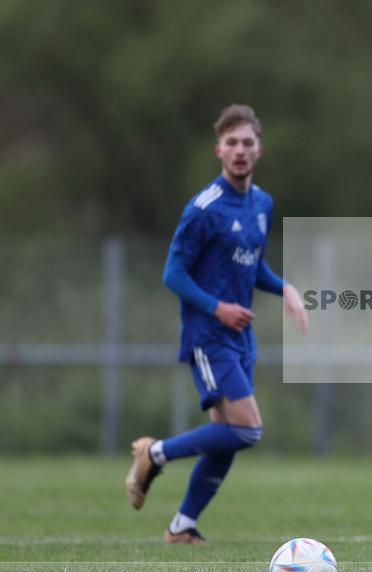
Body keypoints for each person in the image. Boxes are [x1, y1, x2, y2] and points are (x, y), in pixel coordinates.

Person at [124, 104, 309, 544]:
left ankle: (182, 526)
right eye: (232, 143)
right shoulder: (203, 208)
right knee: (248, 428)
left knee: (227, 436)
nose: (240, 151)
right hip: (209, 336)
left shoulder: (261, 203)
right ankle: (154, 453)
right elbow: (173, 273)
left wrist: (285, 288)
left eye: (247, 143)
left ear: (259, 150)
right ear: (218, 151)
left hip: (240, 337)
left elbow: (252, 267)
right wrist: (217, 308)